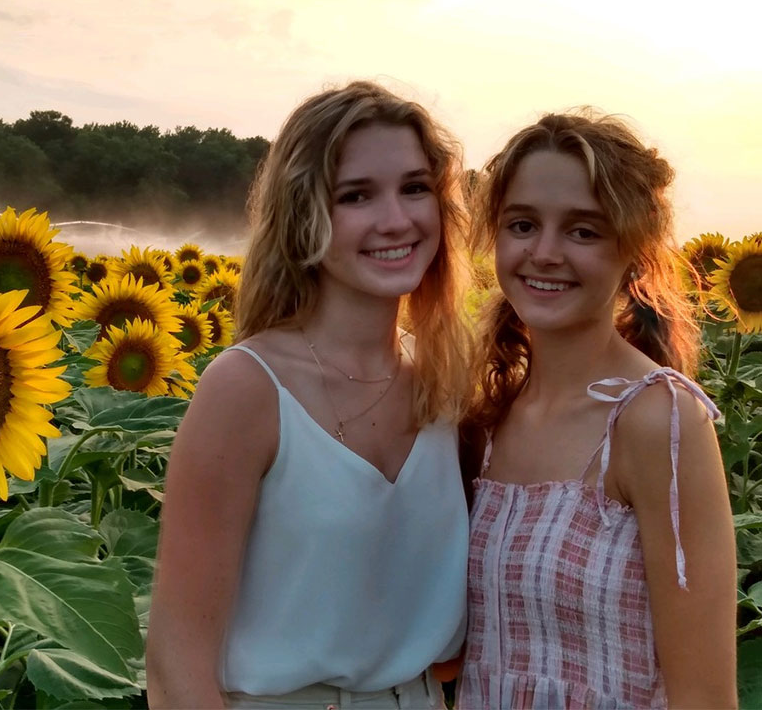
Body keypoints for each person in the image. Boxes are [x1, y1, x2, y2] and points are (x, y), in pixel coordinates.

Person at [146, 81, 472, 709]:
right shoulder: (247, 388)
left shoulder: (444, 384)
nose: (396, 219)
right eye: (356, 195)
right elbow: (176, 672)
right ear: (304, 215)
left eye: (415, 187)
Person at [457, 110, 737, 709]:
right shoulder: (485, 416)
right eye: (523, 224)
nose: (546, 253)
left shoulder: (656, 421)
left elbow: (705, 696)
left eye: (583, 231)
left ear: (632, 251)